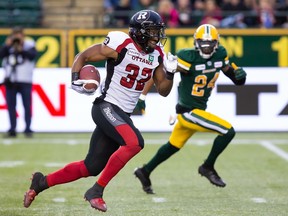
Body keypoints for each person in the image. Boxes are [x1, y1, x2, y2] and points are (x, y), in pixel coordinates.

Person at [23, 10, 178, 212]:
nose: (156, 36)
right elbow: (84, 55)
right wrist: (75, 78)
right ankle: (96, 191)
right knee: (134, 143)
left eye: (158, 31)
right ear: (139, 32)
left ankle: (40, 183)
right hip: (106, 106)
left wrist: (171, 73)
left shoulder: (156, 54)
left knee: (91, 166)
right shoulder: (121, 44)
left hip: (121, 114)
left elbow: (164, 91)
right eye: (152, 31)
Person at [134, 24, 247, 194]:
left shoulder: (221, 54)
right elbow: (159, 73)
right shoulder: (188, 57)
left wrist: (239, 77)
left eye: (210, 44)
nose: (207, 47)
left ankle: (144, 171)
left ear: (216, 43)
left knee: (173, 145)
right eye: (203, 43)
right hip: (188, 111)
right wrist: (142, 96)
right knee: (228, 131)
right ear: (196, 42)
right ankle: (207, 166)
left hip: (196, 110)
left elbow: (232, 74)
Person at [0, 26, 37, 138]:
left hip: (25, 80)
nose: (17, 37)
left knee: (27, 105)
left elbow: (32, 56)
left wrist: (21, 48)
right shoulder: (8, 47)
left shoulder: (29, 45)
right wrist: (7, 45)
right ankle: (12, 129)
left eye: (19, 35)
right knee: (11, 106)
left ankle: (28, 128)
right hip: (11, 80)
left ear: (23, 36)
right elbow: (1, 55)